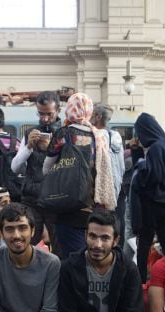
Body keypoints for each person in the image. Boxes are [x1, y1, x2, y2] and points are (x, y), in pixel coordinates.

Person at [42, 93, 116, 257]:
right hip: (92, 206)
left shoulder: (63, 134)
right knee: (89, 256)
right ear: (89, 111)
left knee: (71, 259)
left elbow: (46, 169)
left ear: (69, 109)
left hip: (67, 205)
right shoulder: (98, 136)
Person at [130, 112, 165, 282]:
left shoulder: (156, 147)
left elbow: (152, 176)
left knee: (144, 243)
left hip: (152, 202)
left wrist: (139, 165)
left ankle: (141, 280)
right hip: (164, 201)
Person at [11, 90, 61, 245]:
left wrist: (51, 151)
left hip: (56, 198)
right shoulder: (30, 133)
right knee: (28, 242)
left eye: (49, 114)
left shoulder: (64, 133)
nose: (44, 119)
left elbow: (67, 166)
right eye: (40, 114)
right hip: (32, 198)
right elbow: (15, 167)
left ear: (58, 111)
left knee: (58, 244)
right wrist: (28, 147)